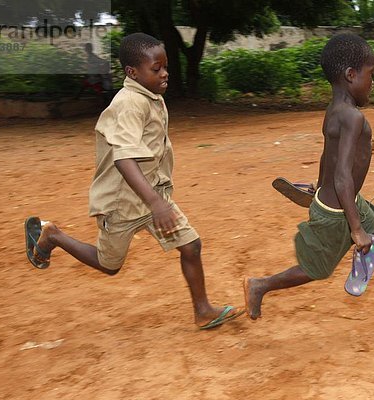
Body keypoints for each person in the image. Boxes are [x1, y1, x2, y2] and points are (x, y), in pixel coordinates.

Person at [25, 33, 243, 330]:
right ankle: (53, 236)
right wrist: (155, 203)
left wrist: (157, 200)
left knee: (190, 246)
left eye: (166, 66)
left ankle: (203, 310)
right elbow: (124, 158)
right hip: (122, 201)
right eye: (157, 69)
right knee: (109, 265)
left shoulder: (151, 96)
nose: (165, 73)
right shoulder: (129, 103)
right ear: (133, 72)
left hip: (153, 194)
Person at [244, 34, 374, 333]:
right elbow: (342, 173)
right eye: (371, 75)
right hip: (339, 213)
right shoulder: (353, 117)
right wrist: (356, 228)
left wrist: (319, 185)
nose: (373, 82)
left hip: (349, 202)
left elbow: (328, 156)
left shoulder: (335, 111)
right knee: (314, 270)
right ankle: (260, 285)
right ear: (351, 75)